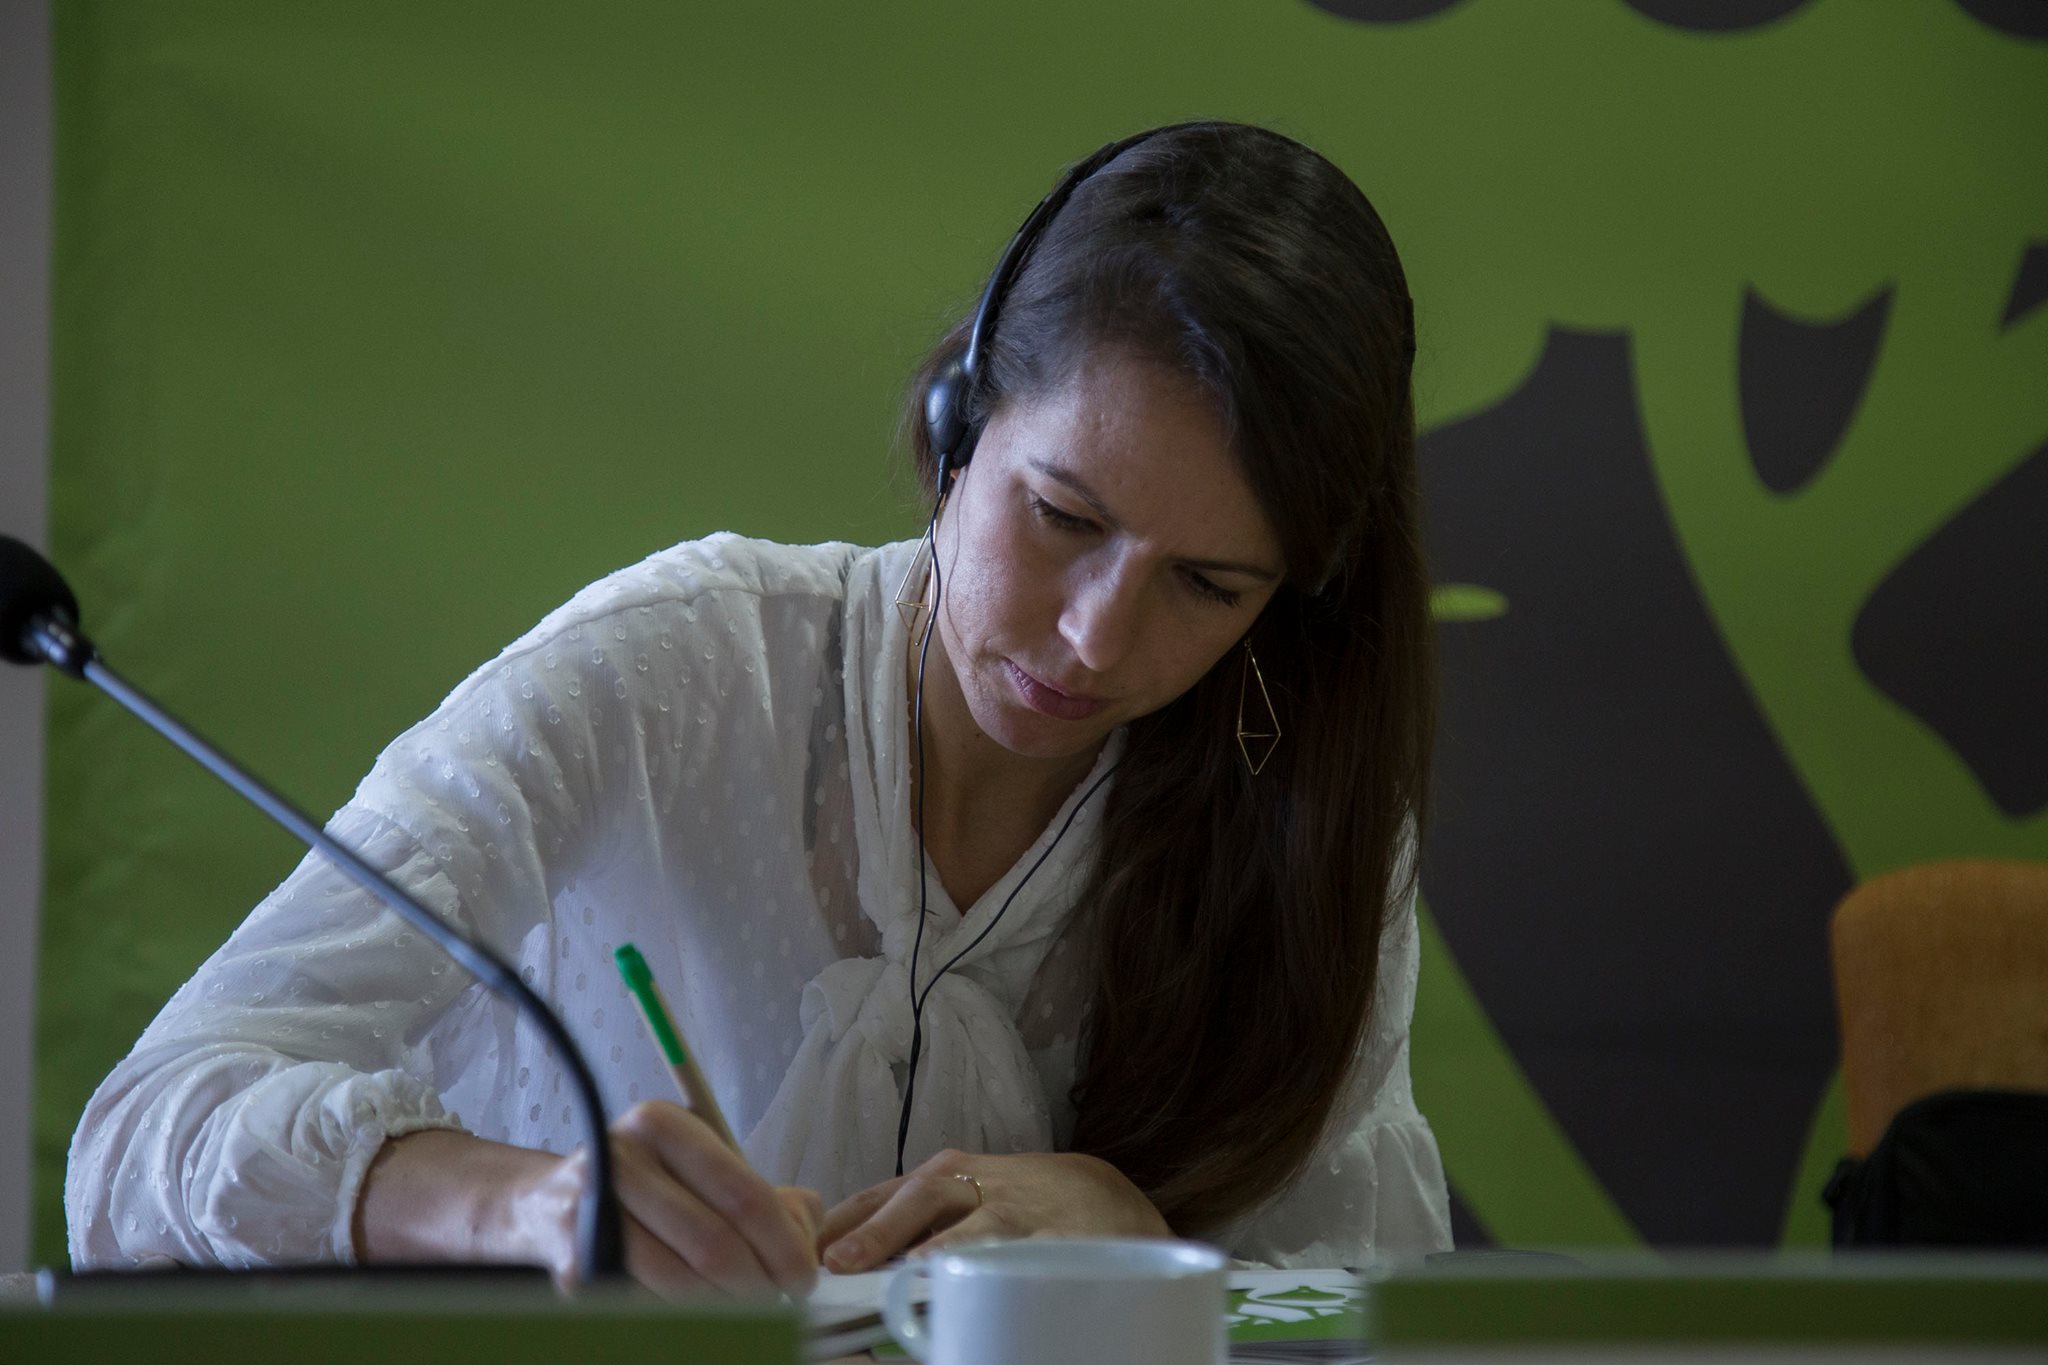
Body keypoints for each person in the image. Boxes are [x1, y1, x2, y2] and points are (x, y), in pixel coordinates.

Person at [66, 120, 1451, 1295]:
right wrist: (533, 1203)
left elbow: (1370, 1293)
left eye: (1206, 584)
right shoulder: (671, 668)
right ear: (959, 424)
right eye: (1063, 516)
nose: (1096, 635)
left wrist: (1140, 1235)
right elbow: (137, 1139)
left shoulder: (1304, 804)